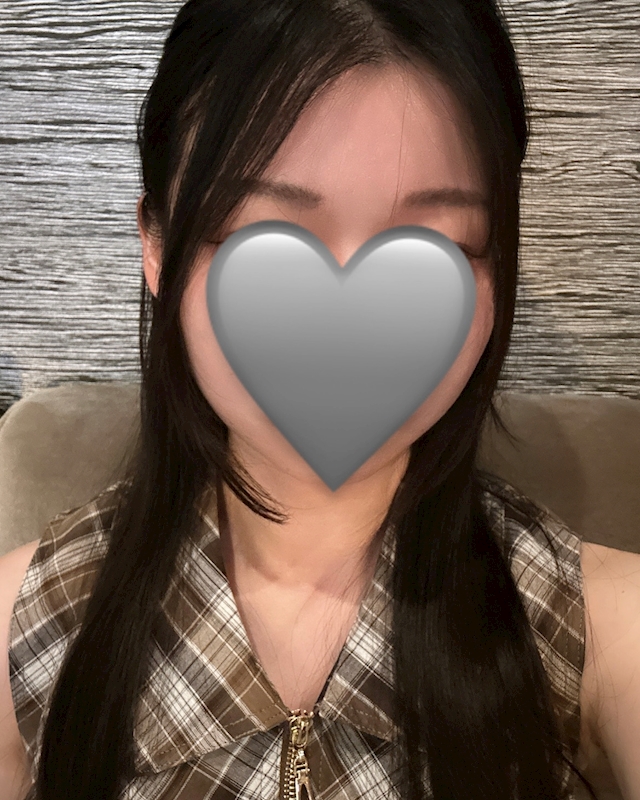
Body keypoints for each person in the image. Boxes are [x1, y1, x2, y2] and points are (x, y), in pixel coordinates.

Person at [1, 0, 639, 798]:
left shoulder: (604, 626)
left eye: (438, 246)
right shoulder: (27, 620)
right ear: (156, 248)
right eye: (266, 237)